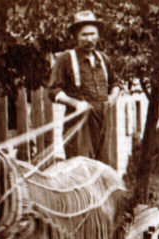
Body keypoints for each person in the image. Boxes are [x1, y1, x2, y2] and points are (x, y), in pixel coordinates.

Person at [48, 10, 120, 164]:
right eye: (84, 35)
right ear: (76, 36)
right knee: (81, 165)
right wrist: (75, 103)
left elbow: (115, 84)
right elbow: (53, 91)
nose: (89, 39)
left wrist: (112, 99)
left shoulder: (103, 58)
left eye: (92, 34)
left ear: (98, 35)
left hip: (104, 118)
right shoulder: (66, 58)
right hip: (80, 121)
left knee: (103, 166)